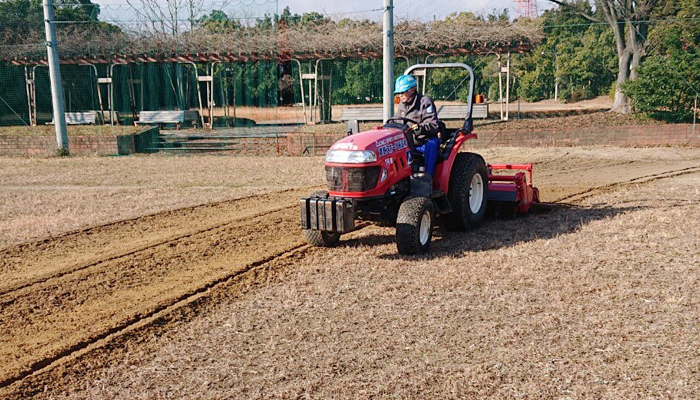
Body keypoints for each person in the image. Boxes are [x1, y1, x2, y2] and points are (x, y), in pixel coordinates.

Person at [394, 74, 441, 178]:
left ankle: (428, 178)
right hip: (408, 142)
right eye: (398, 93)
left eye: (403, 92)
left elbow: (433, 124)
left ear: (412, 90)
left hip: (423, 141)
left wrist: (420, 129)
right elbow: (398, 121)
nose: (400, 95)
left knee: (432, 144)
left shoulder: (425, 102)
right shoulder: (402, 104)